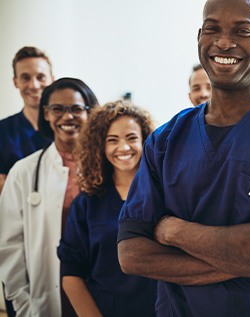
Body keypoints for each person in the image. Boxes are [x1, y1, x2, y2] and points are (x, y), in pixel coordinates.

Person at [117, 0, 250, 316]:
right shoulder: (165, 141)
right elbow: (133, 255)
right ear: (199, 37)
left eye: (242, 31)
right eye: (212, 29)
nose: (224, 42)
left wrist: (172, 231)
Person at [0, 78, 98, 316]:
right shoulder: (24, 172)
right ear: (46, 114)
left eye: (76, 109)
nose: (68, 117)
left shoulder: (106, 167)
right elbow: (9, 247)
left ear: (90, 113)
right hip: (43, 297)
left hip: (100, 291)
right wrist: (23, 305)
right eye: (57, 109)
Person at [57, 101, 157, 317]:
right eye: (113, 140)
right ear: (100, 146)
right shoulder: (86, 204)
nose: (123, 148)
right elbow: (72, 274)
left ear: (146, 141)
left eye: (132, 138)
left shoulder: (164, 197)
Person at [0, 46, 54, 195]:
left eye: (40, 77)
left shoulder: (65, 129)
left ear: (52, 80)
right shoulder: (3, 131)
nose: (34, 85)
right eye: (25, 77)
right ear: (15, 82)